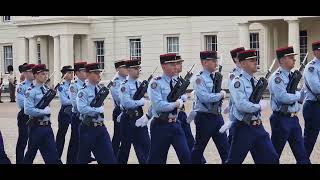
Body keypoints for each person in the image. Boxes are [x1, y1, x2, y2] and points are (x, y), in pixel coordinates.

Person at [226, 49, 279, 164]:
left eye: (255, 59)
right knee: (234, 161)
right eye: (251, 60)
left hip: (258, 126)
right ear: (243, 63)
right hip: (243, 128)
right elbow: (241, 105)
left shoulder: (255, 81)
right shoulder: (237, 81)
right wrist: (258, 106)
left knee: (272, 159)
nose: (255, 62)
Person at [147, 53, 191, 164]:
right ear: (163, 66)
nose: (175, 67)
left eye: (176, 64)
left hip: (175, 123)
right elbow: (159, 105)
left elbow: (181, 98)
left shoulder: (177, 82)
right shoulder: (156, 83)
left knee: (186, 156)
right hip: (160, 125)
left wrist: (183, 98)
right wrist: (177, 104)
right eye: (172, 64)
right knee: (157, 160)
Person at [191, 51, 229, 164]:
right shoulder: (199, 79)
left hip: (217, 116)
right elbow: (204, 97)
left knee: (225, 148)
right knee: (199, 148)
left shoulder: (216, 77)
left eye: (216, 60)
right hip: (204, 118)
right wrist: (221, 95)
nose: (216, 63)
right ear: (204, 62)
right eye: (213, 61)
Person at [76, 63, 116, 164]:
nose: (99, 75)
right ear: (88, 74)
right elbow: (82, 109)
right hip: (88, 129)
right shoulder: (83, 91)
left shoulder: (99, 89)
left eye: (99, 72)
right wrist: (97, 110)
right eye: (96, 73)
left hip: (101, 128)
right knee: (83, 160)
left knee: (109, 159)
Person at [23, 64, 61, 164]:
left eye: (46, 73)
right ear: (35, 75)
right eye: (42, 74)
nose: (45, 76)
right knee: (30, 155)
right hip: (36, 127)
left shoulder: (46, 89)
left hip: (47, 127)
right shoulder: (30, 91)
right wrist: (44, 112)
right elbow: (27, 110)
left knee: (53, 156)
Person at [303, 40, 320, 158]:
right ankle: (303, 161)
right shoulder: (311, 68)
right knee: (310, 139)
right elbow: (316, 88)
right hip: (314, 106)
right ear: (315, 52)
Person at [15, 63, 35, 164]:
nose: (34, 74)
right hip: (25, 116)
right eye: (32, 71)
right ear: (26, 73)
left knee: (34, 143)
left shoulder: (38, 86)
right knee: (23, 141)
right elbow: (21, 103)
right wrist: (33, 104)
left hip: (36, 116)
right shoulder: (21, 87)